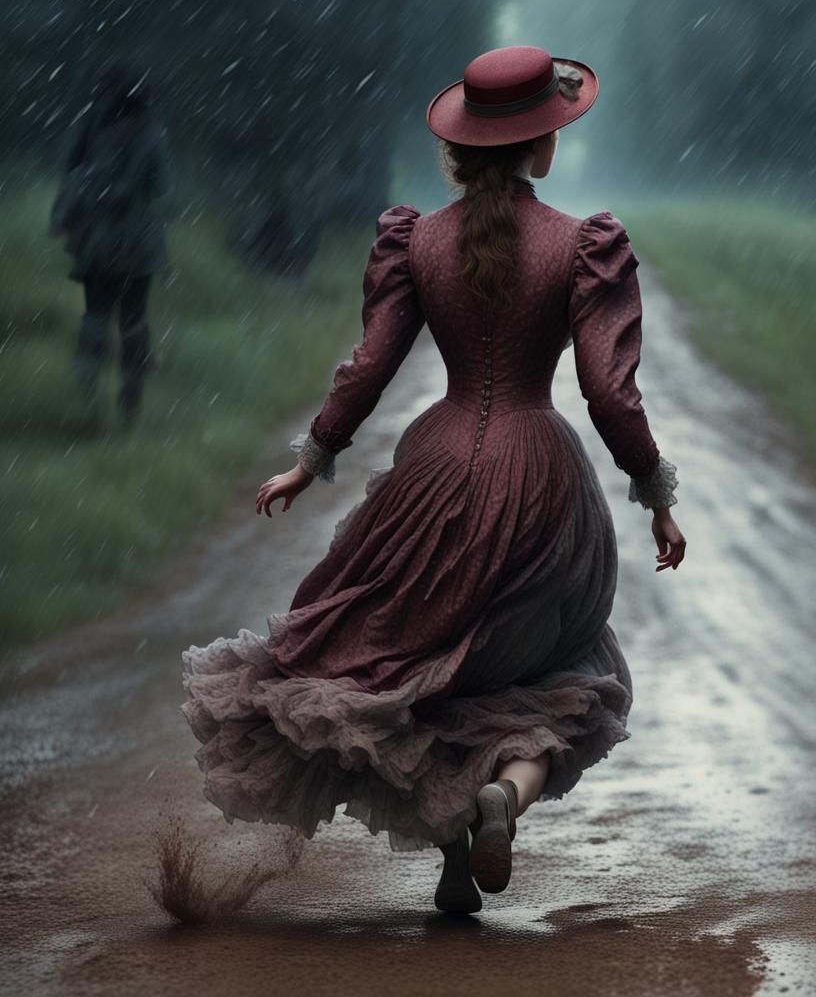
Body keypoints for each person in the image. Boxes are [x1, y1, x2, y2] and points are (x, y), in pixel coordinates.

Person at [180, 46, 686, 915]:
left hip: (435, 468)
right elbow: (609, 390)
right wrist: (655, 492)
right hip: (541, 482)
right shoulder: (582, 245)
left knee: (428, 670)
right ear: (542, 146)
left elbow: (370, 365)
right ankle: (505, 800)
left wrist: (311, 459)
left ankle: (458, 862)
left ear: (461, 146)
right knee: (558, 671)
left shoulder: (417, 240)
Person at [49, 61, 173, 432]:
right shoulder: (151, 134)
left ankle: (88, 394)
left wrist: (68, 214)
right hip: (138, 242)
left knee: (96, 314)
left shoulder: (91, 127)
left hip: (96, 240)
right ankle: (130, 397)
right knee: (134, 320)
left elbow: (69, 174)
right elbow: (164, 188)